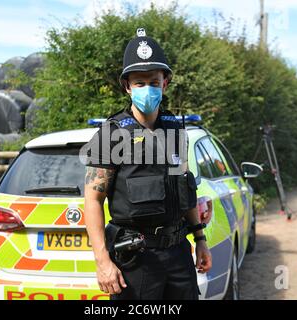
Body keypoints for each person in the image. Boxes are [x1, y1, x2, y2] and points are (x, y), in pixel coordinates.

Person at [83, 28, 212, 300]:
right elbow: (93, 200)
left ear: (165, 83)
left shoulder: (175, 131)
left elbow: (185, 190)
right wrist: (102, 262)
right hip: (136, 260)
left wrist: (200, 240)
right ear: (127, 86)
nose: (147, 89)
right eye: (139, 83)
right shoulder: (112, 135)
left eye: (154, 82)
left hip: (178, 254)